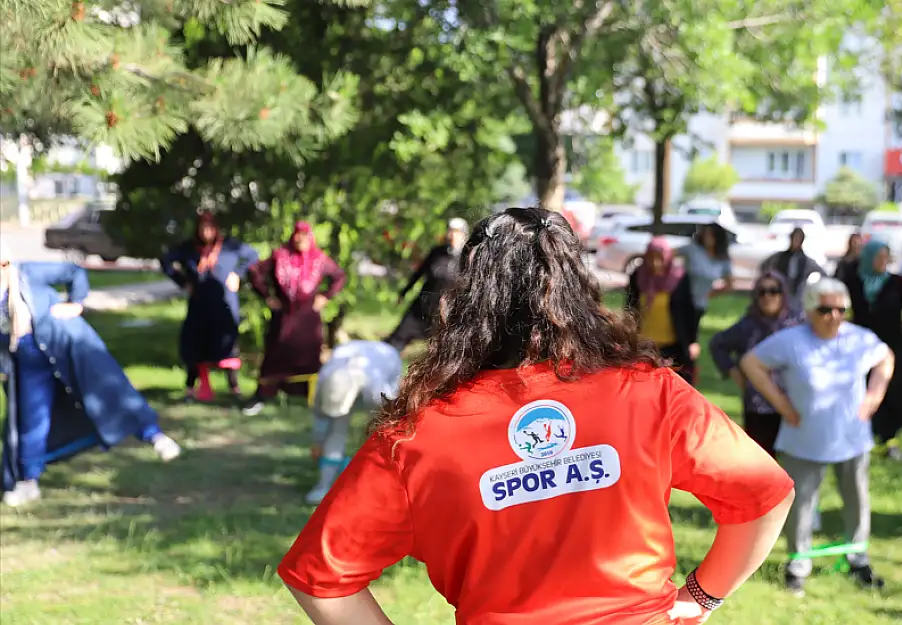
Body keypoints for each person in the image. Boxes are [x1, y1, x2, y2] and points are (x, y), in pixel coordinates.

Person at [278, 207, 795, 624]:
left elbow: (321, 579)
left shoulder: (418, 431)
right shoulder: (649, 393)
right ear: (578, 286)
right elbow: (766, 495)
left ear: (470, 296)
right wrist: (701, 597)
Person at [741, 277, 893, 596]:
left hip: (852, 438)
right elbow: (751, 363)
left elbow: (885, 357)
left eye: (841, 309)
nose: (834, 316)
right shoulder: (791, 340)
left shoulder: (860, 339)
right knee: (802, 505)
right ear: (809, 310)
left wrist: (874, 397)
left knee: (856, 498)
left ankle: (858, 558)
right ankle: (798, 564)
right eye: (825, 309)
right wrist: (782, 404)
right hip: (804, 438)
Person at [1, 240, 180, 507]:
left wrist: (76, 303)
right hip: (29, 362)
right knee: (31, 419)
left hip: (69, 344)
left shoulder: (27, 273)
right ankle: (29, 482)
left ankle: (155, 436)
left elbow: (74, 271)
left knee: (109, 390)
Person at [843, 240, 902, 461]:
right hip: (860, 347)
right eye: (878, 257)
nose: (883, 262)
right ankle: (863, 436)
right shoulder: (853, 281)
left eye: (886, 257)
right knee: (861, 390)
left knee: (895, 391)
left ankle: (890, 440)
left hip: (893, 346)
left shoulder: (896, 282)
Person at [243, 222, 346, 416]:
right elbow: (254, 271)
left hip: (308, 318)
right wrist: (268, 297)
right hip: (284, 316)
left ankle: (310, 397)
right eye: (298, 235)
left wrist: (325, 296)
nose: (301, 239)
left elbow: (339, 276)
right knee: (275, 356)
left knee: (308, 356)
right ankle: (263, 396)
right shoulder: (280, 255)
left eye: (305, 236)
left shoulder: (319, 259)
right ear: (293, 236)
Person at [160, 212, 259, 402]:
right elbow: (166, 261)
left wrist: (237, 274)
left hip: (224, 304)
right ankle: (190, 388)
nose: (206, 232)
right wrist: (183, 282)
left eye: (210, 228)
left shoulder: (229, 246)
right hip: (200, 304)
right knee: (195, 344)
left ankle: (234, 387)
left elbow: (253, 256)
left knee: (227, 345)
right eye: (203, 228)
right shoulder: (189, 248)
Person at [708, 270, 805, 455]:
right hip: (759, 405)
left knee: (794, 462)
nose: (767, 296)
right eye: (762, 292)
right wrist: (734, 372)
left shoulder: (798, 323)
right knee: (761, 459)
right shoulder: (749, 324)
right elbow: (717, 344)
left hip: (793, 401)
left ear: (783, 293)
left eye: (773, 290)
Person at [306, 338, 402, 505]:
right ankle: (324, 487)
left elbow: (389, 415)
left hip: (386, 362)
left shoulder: (375, 388)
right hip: (357, 369)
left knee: (378, 433)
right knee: (335, 431)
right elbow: (321, 415)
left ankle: (372, 484)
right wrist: (318, 442)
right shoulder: (326, 378)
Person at [385, 218, 467, 352]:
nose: (453, 235)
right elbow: (419, 273)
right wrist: (404, 292)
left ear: (464, 235)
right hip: (422, 305)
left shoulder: (466, 258)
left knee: (443, 352)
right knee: (396, 340)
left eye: (457, 232)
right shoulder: (437, 253)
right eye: (451, 231)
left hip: (446, 313)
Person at [625, 237, 699, 384]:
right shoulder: (638, 276)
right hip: (644, 346)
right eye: (651, 258)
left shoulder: (679, 278)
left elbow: (689, 312)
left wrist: (692, 341)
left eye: (659, 258)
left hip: (672, 345)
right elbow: (630, 307)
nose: (655, 263)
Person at [680, 222, 733, 337]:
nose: (708, 238)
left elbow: (729, 284)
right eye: (706, 234)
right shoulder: (693, 249)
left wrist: (709, 294)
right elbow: (667, 255)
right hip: (681, 300)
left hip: (700, 304)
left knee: (690, 336)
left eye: (711, 235)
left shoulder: (722, 258)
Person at [760, 227, 825, 303]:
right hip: (781, 290)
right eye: (794, 238)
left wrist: (813, 287)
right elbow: (764, 266)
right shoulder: (779, 257)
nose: (796, 242)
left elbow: (823, 273)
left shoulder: (806, 261)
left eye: (798, 239)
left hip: (798, 294)